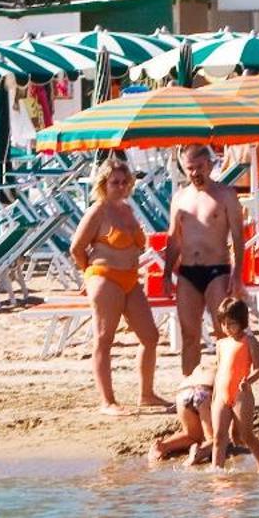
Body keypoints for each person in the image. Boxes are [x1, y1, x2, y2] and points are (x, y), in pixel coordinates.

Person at [69, 159, 164, 414]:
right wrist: (88, 273)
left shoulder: (127, 209)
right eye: (115, 183)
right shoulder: (97, 211)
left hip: (130, 278)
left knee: (150, 337)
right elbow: (76, 248)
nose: (120, 187)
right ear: (104, 184)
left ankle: (147, 394)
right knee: (104, 339)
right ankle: (107, 401)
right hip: (105, 276)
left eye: (124, 182)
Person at [163, 145, 246, 382]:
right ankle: (190, 387)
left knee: (224, 332)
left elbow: (238, 238)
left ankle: (225, 386)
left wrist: (237, 275)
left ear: (209, 165)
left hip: (217, 270)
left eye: (199, 167)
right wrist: (167, 273)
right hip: (188, 272)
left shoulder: (226, 195)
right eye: (190, 168)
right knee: (189, 335)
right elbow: (174, 238)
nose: (195, 172)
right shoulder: (180, 198)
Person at [208, 297, 259, 472]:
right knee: (219, 437)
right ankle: (216, 472)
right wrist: (214, 397)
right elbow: (220, 371)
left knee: (246, 435)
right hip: (221, 395)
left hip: (241, 394)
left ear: (242, 322)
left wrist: (248, 381)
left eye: (232, 324)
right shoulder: (221, 344)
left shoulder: (250, 341)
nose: (227, 328)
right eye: (224, 324)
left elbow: (258, 369)